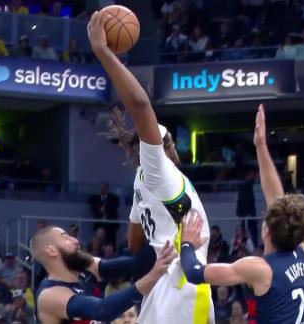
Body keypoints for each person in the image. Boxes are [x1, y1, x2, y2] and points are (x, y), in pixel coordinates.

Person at [88, 11, 213, 323]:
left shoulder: (142, 181)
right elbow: (141, 105)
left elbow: (134, 243)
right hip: (179, 287)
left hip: (165, 288)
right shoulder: (160, 172)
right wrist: (103, 52)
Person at [180, 105, 304, 323]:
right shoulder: (301, 252)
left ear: (267, 233)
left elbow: (195, 273)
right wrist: (260, 146)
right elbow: (277, 200)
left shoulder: (260, 269)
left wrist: (186, 244)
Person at [30, 226, 175, 323]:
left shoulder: (84, 264)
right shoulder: (49, 295)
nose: (76, 241)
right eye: (66, 238)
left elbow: (136, 265)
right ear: (51, 250)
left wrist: (165, 232)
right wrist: (151, 278)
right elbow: (101, 310)